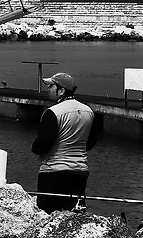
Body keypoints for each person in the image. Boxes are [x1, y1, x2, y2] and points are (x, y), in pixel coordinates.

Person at [32, 72, 102, 213]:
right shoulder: (89, 111)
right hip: (80, 171)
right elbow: (91, 142)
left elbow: (42, 145)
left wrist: (36, 149)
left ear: (61, 90)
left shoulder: (52, 112)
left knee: (49, 217)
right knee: (75, 217)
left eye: (51, 86)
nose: (48, 89)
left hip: (53, 172)